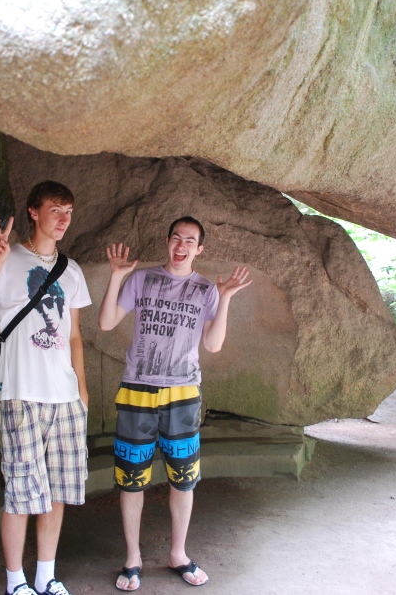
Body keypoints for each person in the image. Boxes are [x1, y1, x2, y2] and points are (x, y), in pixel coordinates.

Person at [98, 216, 252, 591]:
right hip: (137, 389)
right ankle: (132, 558)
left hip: (183, 393)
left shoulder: (206, 289)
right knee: (131, 478)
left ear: (199, 249)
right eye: (176, 238)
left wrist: (225, 298)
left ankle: (178, 554)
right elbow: (106, 322)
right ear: (167, 242)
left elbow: (213, 344)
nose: (181, 246)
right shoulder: (142, 279)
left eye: (190, 241)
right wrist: (116, 276)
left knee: (183, 480)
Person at [0, 181, 91, 595]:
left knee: (57, 493)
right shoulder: (9, 260)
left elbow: (73, 336)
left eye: (69, 211)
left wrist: (82, 391)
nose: (64, 219)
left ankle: (46, 577)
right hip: (21, 395)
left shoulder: (72, 271)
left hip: (65, 398)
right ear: (33, 212)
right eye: (55, 209)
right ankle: (16, 582)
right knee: (21, 492)